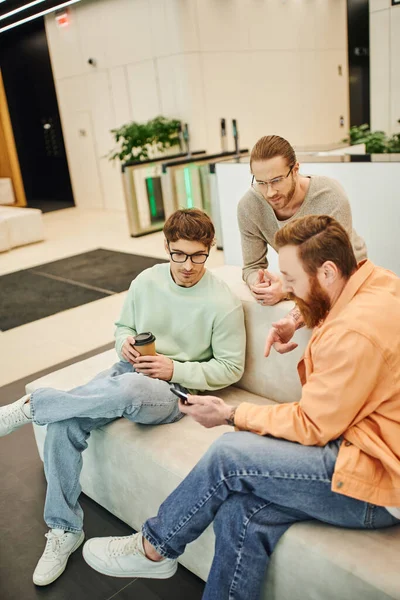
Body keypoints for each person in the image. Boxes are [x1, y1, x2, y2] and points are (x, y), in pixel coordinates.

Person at [82, 215, 400, 600]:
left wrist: (231, 414)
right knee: (241, 511)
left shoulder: (353, 334)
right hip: (362, 450)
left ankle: (155, 547)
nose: (287, 288)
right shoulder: (377, 282)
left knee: (228, 453)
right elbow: (332, 301)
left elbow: (313, 424)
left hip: (376, 480)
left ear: (328, 271)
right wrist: (294, 317)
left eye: (292, 279)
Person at [0, 208, 245, 587]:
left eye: (198, 255)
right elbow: (123, 328)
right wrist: (124, 345)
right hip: (127, 373)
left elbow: (231, 368)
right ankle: (64, 529)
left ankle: (35, 405)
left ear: (210, 249)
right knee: (67, 422)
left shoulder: (222, 301)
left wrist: (173, 369)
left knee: (129, 388)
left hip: (174, 392)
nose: (188, 265)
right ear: (166, 247)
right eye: (179, 254)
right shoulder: (146, 281)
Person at [238, 135, 367, 308]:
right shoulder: (249, 206)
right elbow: (252, 266)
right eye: (261, 182)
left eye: (276, 180)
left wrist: (287, 288)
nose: (270, 192)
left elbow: (336, 270)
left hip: (350, 272)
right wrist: (259, 283)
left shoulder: (330, 196)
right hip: (306, 276)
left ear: (295, 169)